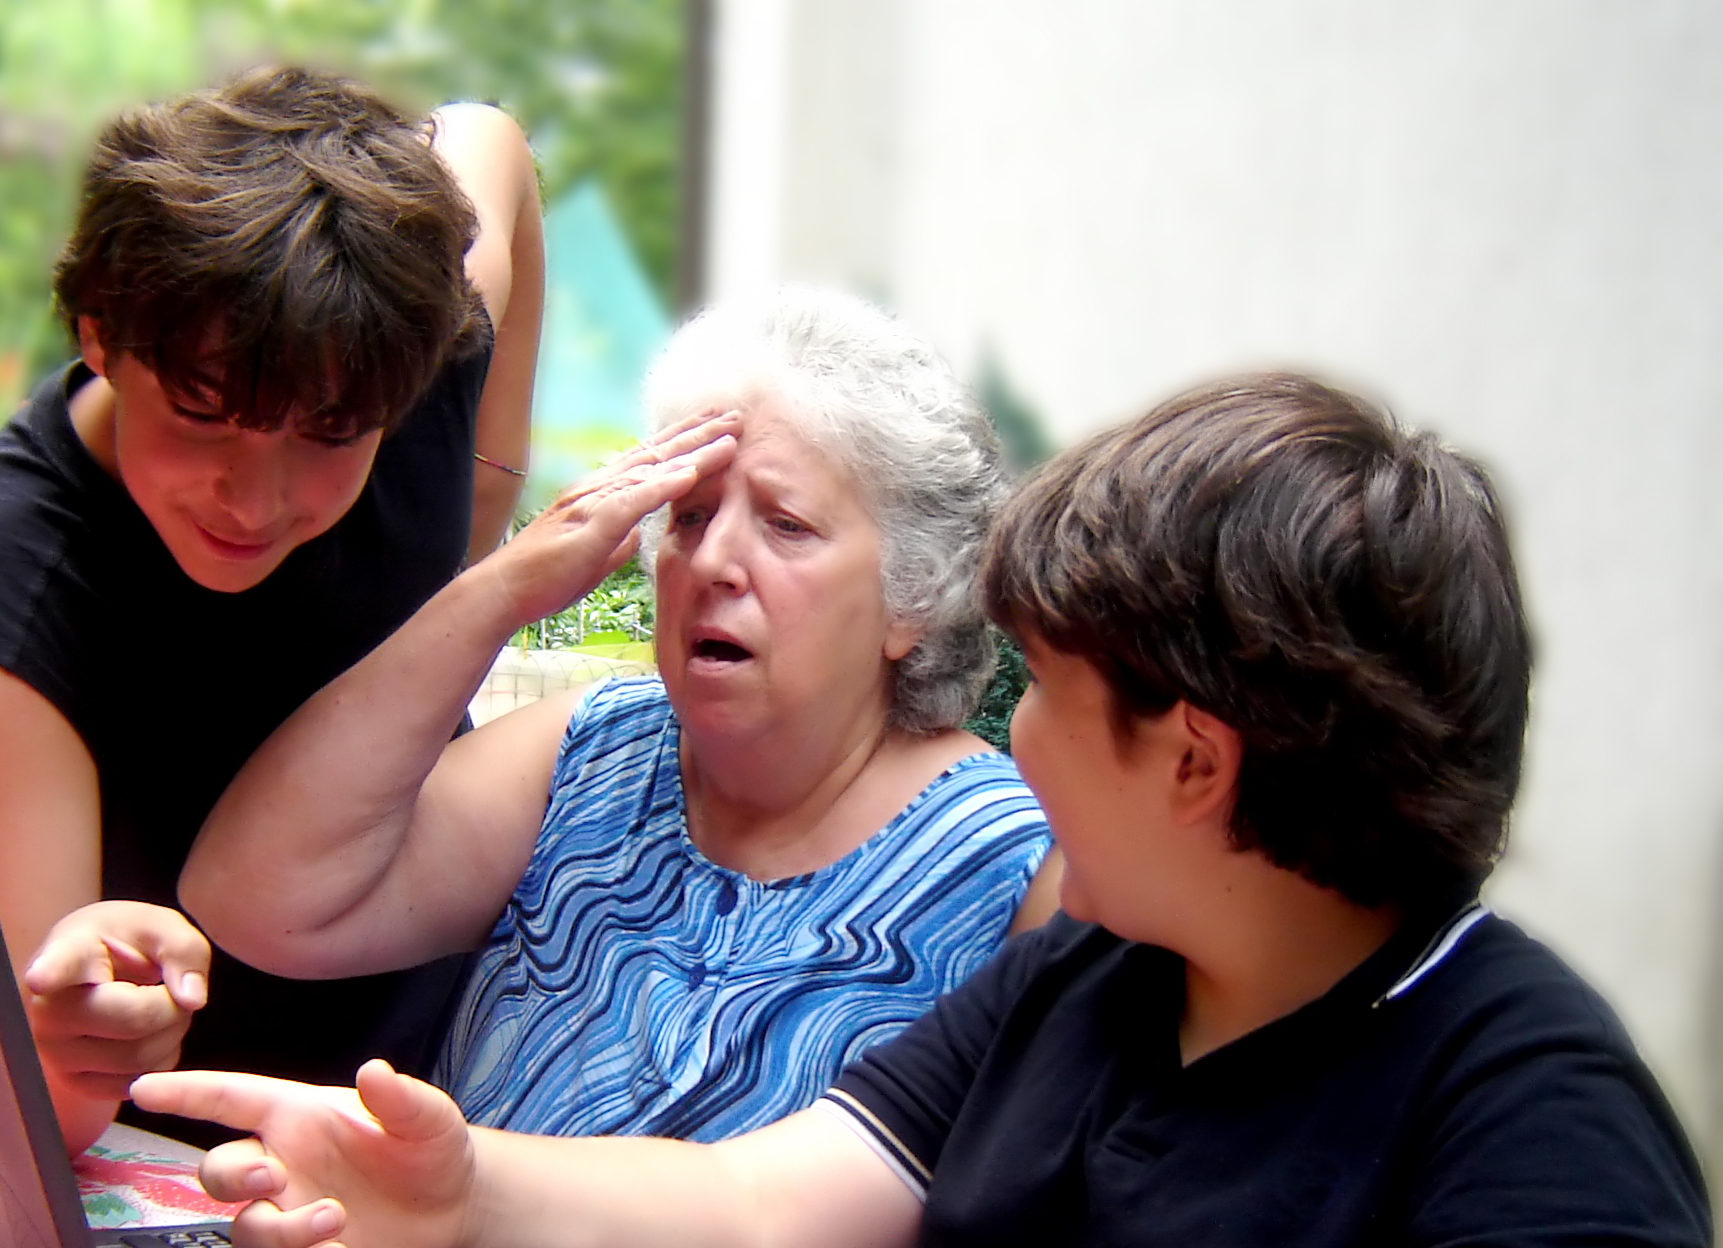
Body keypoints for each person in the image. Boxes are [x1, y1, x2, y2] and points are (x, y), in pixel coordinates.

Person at [132, 373, 1711, 1248]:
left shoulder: (1522, 1085)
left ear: (1192, 761)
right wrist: (464, 1190)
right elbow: (758, 1199)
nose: (1006, 755)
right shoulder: (1096, 979)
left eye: (1042, 699)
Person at [58, 287, 1057, 1145]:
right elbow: (253, 901)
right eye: (691, 516)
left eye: (787, 527)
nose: (711, 563)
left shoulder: (1013, 862)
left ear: (913, 596)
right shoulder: (599, 749)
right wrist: (500, 591)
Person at [0, 66, 544, 1153]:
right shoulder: (22, 577)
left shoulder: (411, 340)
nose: (255, 502)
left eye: (328, 434)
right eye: (203, 415)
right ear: (100, 337)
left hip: (466, 1073)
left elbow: (491, 142)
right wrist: (87, 1031)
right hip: (191, 1150)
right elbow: (48, 1088)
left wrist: (488, 485)